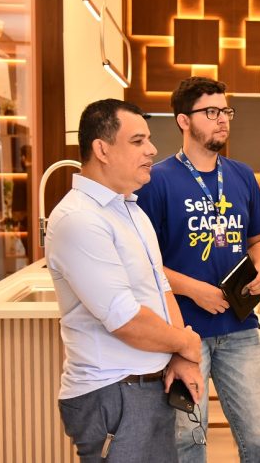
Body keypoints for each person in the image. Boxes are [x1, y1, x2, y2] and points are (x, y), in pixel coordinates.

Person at [45, 99, 203, 462]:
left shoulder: (131, 210)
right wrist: (188, 342)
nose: (152, 149)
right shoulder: (78, 218)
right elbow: (125, 319)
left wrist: (179, 355)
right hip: (114, 393)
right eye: (138, 141)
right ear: (102, 149)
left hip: (150, 384)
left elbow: (161, 289)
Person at [136, 77, 260, 462]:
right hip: (182, 331)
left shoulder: (242, 175)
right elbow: (143, 262)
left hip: (240, 328)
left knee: (259, 435)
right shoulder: (156, 181)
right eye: (211, 112)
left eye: (225, 111)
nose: (222, 119)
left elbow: (259, 240)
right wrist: (193, 289)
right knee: (187, 438)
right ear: (183, 120)